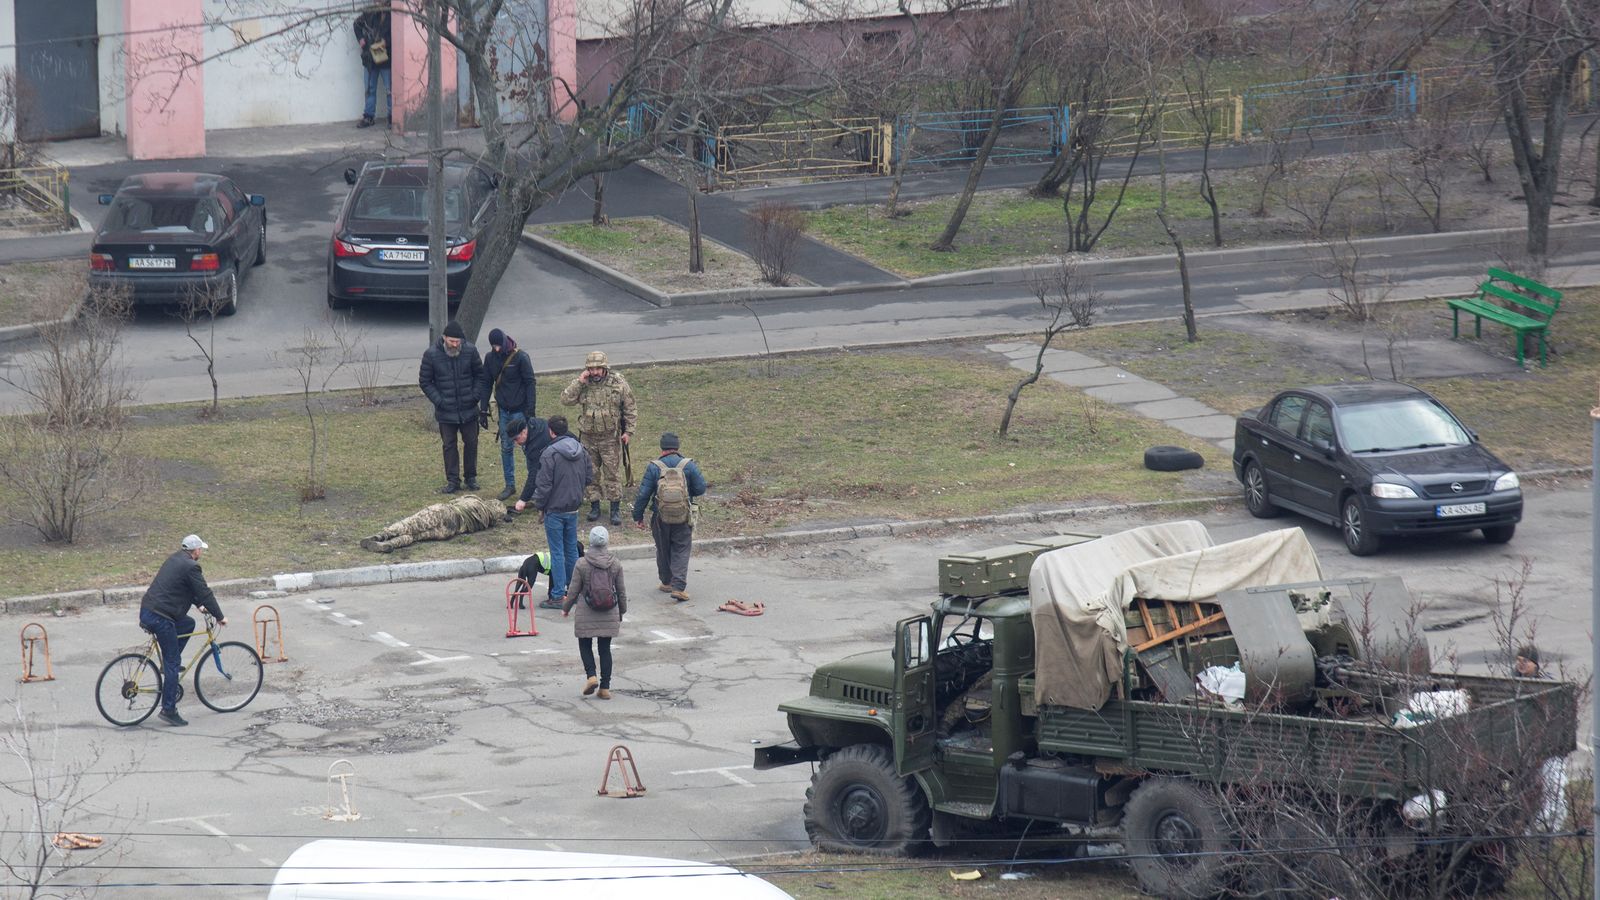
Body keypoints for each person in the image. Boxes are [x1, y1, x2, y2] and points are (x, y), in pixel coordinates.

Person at [138, 535, 226, 727]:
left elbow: (184, 587)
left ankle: (168, 666)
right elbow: (204, 591)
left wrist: (199, 605)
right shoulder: (191, 566)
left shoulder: (175, 559)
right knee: (173, 662)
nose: (201, 552)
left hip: (148, 610)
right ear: (195, 551)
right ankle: (168, 709)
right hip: (161, 617)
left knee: (187, 624)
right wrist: (219, 616)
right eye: (200, 550)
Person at [559, 350, 637, 526]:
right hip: (588, 438)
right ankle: (594, 505)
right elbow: (565, 399)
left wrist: (628, 432)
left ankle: (614, 508)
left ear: (604, 368)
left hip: (610, 438)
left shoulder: (618, 382)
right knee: (591, 474)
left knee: (612, 474)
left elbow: (630, 408)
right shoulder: (582, 384)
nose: (595, 372)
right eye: (591, 369)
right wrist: (579, 382)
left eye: (598, 369)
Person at [632, 432, 706, 602]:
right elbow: (701, 488)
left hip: (660, 516)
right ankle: (678, 587)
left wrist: (638, 516)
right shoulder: (688, 465)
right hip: (683, 515)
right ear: (677, 447)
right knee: (681, 548)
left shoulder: (654, 466)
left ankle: (666, 582)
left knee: (663, 548)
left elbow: (643, 494)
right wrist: (686, 496)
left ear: (662, 447)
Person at [531, 415, 593, 606]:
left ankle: (558, 594)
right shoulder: (581, 450)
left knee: (557, 552)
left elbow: (544, 485)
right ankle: (574, 591)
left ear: (551, 431)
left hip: (555, 510)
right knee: (572, 551)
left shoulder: (550, 453)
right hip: (573, 508)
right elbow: (589, 476)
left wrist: (540, 506)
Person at [419, 321, 486, 494]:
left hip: (468, 408)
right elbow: (425, 382)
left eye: (458, 342)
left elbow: (480, 376)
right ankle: (452, 480)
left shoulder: (470, 351)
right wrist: (439, 400)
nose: (455, 345)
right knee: (449, 445)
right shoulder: (431, 355)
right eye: (452, 341)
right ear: (444, 339)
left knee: (471, 442)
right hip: (446, 411)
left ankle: (471, 477)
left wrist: (474, 396)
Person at [563, 525, 627, 700]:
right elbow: (621, 591)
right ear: (607, 541)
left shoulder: (582, 563)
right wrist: (621, 611)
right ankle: (605, 687)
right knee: (605, 649)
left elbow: (573, 590)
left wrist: (566, 608)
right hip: (609, 611)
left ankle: (591, 676)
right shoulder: (615, 563)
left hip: (586, 611)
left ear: (590, 542)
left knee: (585, 645)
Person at [482, 328, 538, 502]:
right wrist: (483, 409)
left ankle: (534, 486)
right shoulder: (490, 358)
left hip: (520, 411)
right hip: (504, 411)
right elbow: (486, 383)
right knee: (506, 448)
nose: (496, 349)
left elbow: (530, 383)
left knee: (528, 448)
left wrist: (530, 410)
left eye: (498, 345)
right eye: (493, 346)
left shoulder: (521, 357)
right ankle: (510, 485)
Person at [360, 495, 510, 553]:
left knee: (410, 524)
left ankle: (381, 536)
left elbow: (455, 501)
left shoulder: (474, 499)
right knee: (416, 537)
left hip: (447, 512)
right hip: (451, 531)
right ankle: (392, 544)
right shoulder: (486, 521)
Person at [353, 5, 391, 128]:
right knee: (370, 89)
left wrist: (387, 42)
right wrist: (361, 39)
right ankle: (369, 117)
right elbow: (356, 24)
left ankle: (392, 117)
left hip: (386, 57)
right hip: (370, 57)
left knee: (390, 89)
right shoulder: (369, 12)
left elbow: (398, 32)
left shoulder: (392, 13)